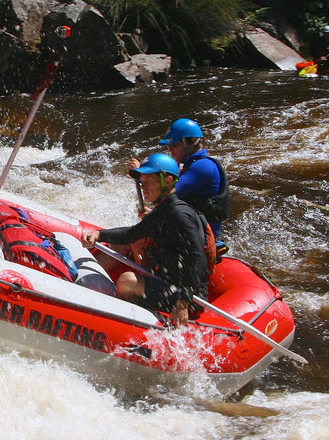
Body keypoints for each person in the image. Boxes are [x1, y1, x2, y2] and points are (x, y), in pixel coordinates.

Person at [82, 153, 209, 325]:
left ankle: (126, 324)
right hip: (167, 283)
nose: (143, 187)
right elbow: (131, 234)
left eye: (148, 181)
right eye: (142, 182)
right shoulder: (162, 210)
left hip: (188, 296)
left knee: (127, 281)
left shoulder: (179, 214)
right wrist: (99, 234)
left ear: (168, 180)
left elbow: (197, 257)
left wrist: (183, 302)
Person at [138, 117, 230, 248]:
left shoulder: (202, 166)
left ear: (190, 142)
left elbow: (164, 193)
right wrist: (139, 173)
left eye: (175, 145)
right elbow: (160, 186)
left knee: (133, 241)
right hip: (188, 231)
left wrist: (153, 215)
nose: (170, 150)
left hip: (198, 239)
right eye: (169, 146)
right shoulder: (191, 165)